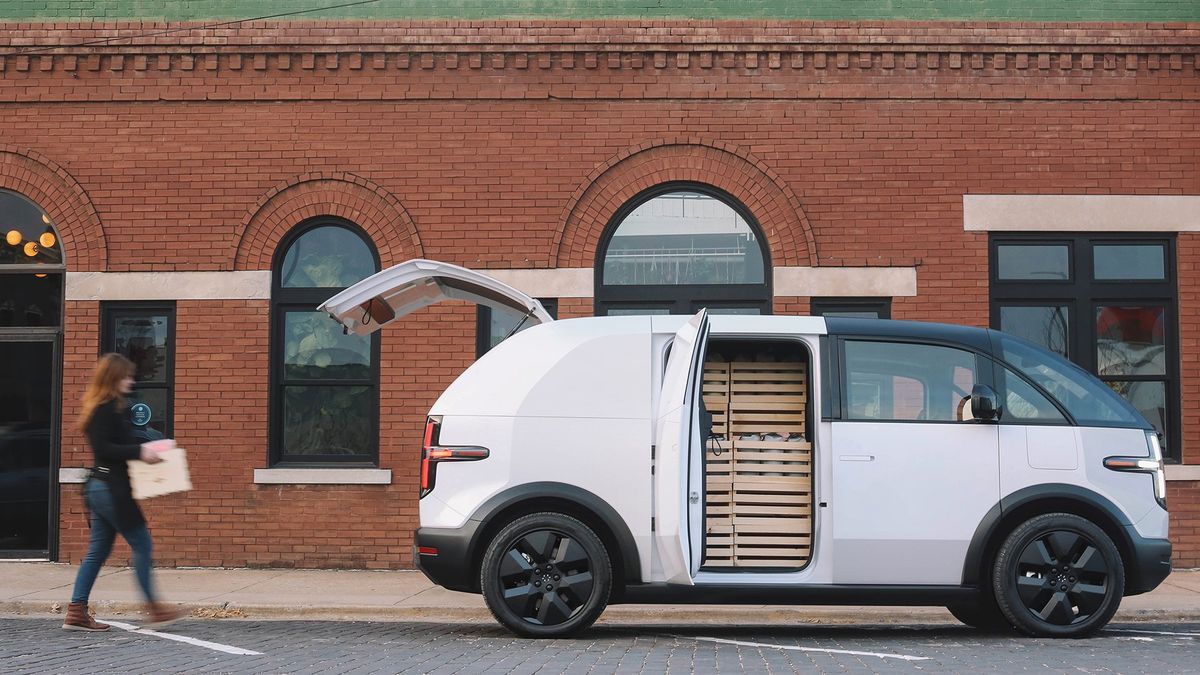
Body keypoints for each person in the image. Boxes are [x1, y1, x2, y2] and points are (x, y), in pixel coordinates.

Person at [63, 353, 185, 631]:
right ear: (113, 378)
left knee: (98, 550)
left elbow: (126, 441)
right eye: (126, 375)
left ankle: (76, 611)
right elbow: (105, 449)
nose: (131, 380)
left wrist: (154, 444)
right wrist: (140, 451)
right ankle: (154, 609)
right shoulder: (104, 408)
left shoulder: (110, 407)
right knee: (142, 544)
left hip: (101, 487)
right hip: (111, 488)